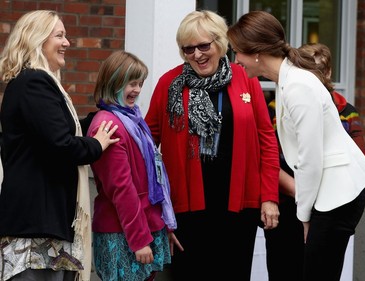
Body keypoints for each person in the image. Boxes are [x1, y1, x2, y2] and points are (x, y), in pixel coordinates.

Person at [227, 10, 365, 281]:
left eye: (237, 52)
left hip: (338, 196)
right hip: (330, 195)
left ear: (257, 51)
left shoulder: (297, 85)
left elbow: (310, 159)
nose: (236, 60)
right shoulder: (288, 79)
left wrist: (304, 215)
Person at [144, 10, 280, 281]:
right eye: (188, 48)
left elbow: (267, 139)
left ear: (220, 43)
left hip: (238, 205)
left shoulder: (246, 79)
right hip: (187, 208)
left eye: (204, 45)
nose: (197, 54)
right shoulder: (169, 84)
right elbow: (146, 143)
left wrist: (269, 197)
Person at [0, 10, 119, 281]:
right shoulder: (35, 82)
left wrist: (103, 118)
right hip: (36, 227)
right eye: (60, 35)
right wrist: (96, 144)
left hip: (43, 223)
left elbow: (55, 129)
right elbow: (61, 144)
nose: (67, 42)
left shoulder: (33, 83)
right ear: (37, 40)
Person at [261, 42, 365, 281]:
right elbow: (270, 156)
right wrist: (298, 193)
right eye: (306, 68)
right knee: (283, 270)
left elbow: (357, 154)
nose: (312, 75)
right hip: (289, 199)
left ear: (329, 72)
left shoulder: (344, 109)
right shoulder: (278, 103)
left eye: (319, 69)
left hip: (324, 202)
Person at [87, 50, 182, 281]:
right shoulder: (109, 125)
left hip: (142, 229)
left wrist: (163, 226)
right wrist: (139, 240)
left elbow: (152, 179)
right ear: (114, 83)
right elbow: (122, 190)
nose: (138, 90)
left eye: (140, 83)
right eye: (132, 83)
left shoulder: (131, 119)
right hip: (124, 235)